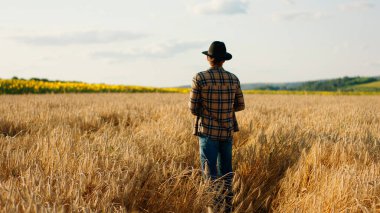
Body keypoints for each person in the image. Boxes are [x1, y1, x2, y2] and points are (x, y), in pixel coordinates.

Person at [189, 41, 245, 212]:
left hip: (207, 131)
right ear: (224, 60)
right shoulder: (233, 78)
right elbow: (240, 105)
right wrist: (226, 109)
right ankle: (227, 207)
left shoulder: (200, 78)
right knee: (227, 172)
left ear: (209, 58)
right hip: (227, 131)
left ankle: (213, 207)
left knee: (209, 172)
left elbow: (193, 108)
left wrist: (207, 111)